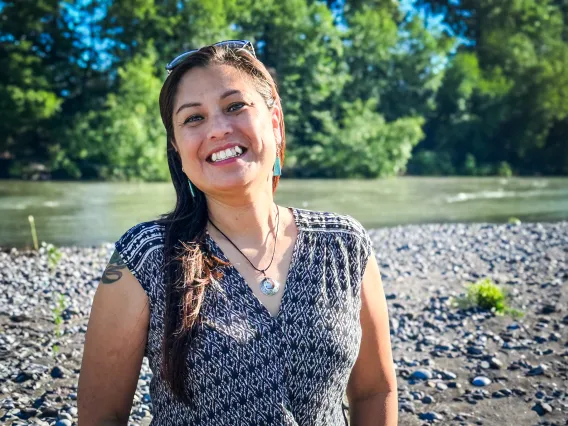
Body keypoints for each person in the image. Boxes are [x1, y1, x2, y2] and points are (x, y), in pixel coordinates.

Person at [77, 40, 397, 426]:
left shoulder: (344, 245)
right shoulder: (144, 256)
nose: (218, 129)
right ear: (177, 148)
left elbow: (374, 390)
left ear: (275, 122)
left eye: (234, 107)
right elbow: (102, 416)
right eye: (193, 118)